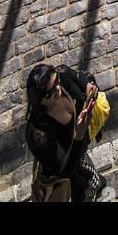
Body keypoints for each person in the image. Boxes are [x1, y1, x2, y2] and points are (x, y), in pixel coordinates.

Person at [25, 62, 105, 203]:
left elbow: (81, 76)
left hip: (80, 151)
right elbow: (64, 170)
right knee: (82, 191)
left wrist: (88, 85)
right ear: (39, 100)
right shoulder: (39, 133)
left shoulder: (62, 75)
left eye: (56, 81)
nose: (57, 88)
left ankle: (95, 183)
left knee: (90, 176)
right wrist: (78, 135)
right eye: (50, 93)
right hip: (66, 167)